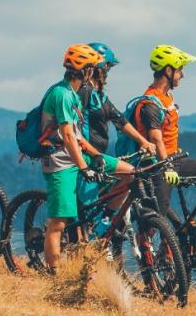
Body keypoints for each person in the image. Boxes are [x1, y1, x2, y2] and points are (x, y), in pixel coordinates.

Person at [40, 44, 134, 272]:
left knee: (129, 173)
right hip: (60, 163)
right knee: (58, 223)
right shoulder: (61, 94)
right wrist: (84, 166)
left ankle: (105, 221)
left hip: (79, 156)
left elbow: (79, 137)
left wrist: (95, 156)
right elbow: (69, 136)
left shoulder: (73, 94)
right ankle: (55, 275)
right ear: (88, 71)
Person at [131, 44, 196, 221]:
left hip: (173, 160)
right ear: (168, 70)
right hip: (157, 166)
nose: (182, 75)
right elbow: (155, 139)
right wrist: (167, 167)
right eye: (180, 70)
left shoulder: (167, 97)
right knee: (155, 218)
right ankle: (150, 245)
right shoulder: (150, 104)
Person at [76, 41, 153, 208]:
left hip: (98, 155)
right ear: (98, 65)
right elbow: (73, 127)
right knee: (86, 209)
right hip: (86, 155)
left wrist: (143, 141)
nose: (108, 72)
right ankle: (87, 229)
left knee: (130, 174)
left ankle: (106, 219)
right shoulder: (83, 92)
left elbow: (120, 120)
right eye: (107, 67)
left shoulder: (99, 94)